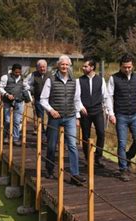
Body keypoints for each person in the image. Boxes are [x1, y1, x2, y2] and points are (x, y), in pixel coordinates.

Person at [40, 55, 86, 186]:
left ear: (70, 66)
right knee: (51, 145)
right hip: (55, 117)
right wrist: (50, 110)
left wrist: (78, 114)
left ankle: (74, 175)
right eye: (62, 65)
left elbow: (77, 100)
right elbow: (43, 99)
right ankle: (49, 169)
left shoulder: (75, 81)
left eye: (67, 65)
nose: (65, 67)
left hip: (70, 116)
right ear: (58, 66)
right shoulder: (51, 79)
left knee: (72, 145)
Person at [106, 54, 136, 182]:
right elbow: (108, 97)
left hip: (134, 114)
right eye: (125, 67)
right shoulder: (113, 79)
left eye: (129, 67)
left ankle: (127, 157)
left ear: (132, 66)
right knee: (122, 143)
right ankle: (123, 169)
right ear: (120, 66)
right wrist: (111, 114)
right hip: (120, 115)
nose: (127, 69)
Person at [78, 59, 107, 168]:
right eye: (83, 66)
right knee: (85, 136)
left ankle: (98, 157)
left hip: (98, 111)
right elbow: (76, 96)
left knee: (101, 133)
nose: (83, 68)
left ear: (92, 67)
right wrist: (80, 107)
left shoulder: (101, 80)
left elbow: (105, 96)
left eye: (85, 66)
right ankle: (87, 158)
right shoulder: (79, 80)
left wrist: (107, 110)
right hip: (85, 112)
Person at [0, 63, 29, 146]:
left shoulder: (23, 79)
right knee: (7, 120)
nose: (17, 74)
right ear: (12, 71)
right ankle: (6, 136)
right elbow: (0, 88)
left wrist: (28, 95)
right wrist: (7, 94)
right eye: (16, 72)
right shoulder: (5, 77)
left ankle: (16, 138)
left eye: (19, 72)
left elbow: (26, 88)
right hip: (7, 101)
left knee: (17, 121)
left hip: (19, 101)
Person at [27, 59, 51, 140]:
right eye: (40, 67)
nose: (42, 69)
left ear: (46, 67)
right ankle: (42, 133)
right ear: (37, 68)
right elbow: (26, 84)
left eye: (44, 67)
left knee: (50, 117)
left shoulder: (51, 75)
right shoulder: (33, 75)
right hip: (38, 99)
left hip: (49, 100)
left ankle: (48, 133)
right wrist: (31, 89)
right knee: (40, 117)